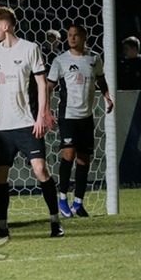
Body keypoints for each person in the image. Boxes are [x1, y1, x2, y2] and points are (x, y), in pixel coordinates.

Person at [0, 6, 64, 239]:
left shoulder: (30, 49)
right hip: (4, 127)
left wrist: (41, 115)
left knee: (40, 170)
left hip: (28, 124)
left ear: (5, 26)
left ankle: (55, 222)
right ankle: (2, 227)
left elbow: (42, 84)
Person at [47, 24, 114, 217]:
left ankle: (78, 203)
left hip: (86, 116)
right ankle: (62, 199)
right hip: (68, 115)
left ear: (85, 37)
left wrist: (107, 96)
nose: (72, 38)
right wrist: (46, 111)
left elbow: (101, 79)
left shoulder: (94, 58)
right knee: (68, 154)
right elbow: (49, 86)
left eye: (76, 35)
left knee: (84, 159)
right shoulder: (60, 60)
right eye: (69, 35)